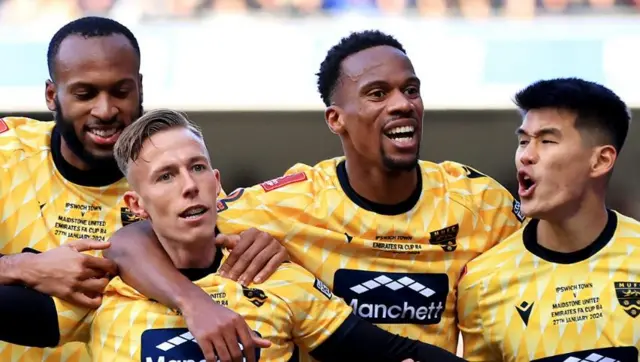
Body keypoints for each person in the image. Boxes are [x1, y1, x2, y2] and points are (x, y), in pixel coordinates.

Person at [105, 29, 525, 356]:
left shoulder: (479, 203)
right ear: (335, 119)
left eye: (411, 90)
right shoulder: (285, 203)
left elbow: (558, 255)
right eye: (378, 93)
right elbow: (134, 238)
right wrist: (193, 301)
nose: (403, 104)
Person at [0, 109, 467, 362]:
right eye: (165, 177)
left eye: (197, 167)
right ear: (135, 205)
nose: (188, 185)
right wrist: (16, 266)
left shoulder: (278, 280)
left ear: (217, 182)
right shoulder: (100, 291)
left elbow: (394, 353)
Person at [0, 16, 286, 362]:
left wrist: (270, 240)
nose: (105, 111)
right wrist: (21, 267)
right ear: (51, 94)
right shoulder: (7, 152)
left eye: (120, 91)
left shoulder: (176, 177)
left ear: (140, 88)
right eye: (85, 93)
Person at [457, 78, 639, 361]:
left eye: (547, 141)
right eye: (523, 141)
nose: (526, 156)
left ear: (601, 160)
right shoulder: (483, 282)